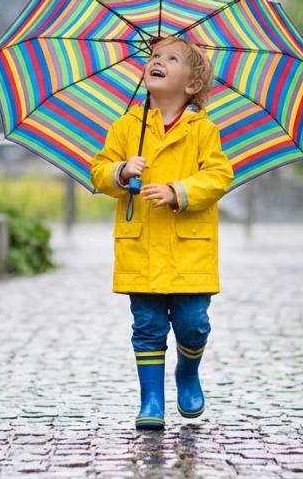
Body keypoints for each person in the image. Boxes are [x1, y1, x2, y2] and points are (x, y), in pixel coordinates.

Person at [91, 35, 234, 430]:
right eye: (155, 56)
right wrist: (121, 172)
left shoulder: (203, 130)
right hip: (143, 248)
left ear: (191, 84)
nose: (158, 61)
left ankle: (187, 371)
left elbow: (219, 175)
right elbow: (99, 170)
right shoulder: (126, 127)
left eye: (172, 58)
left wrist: (179, 191)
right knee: (148, 326)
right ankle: (151, 399)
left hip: (189, 249)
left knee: (193, 323)